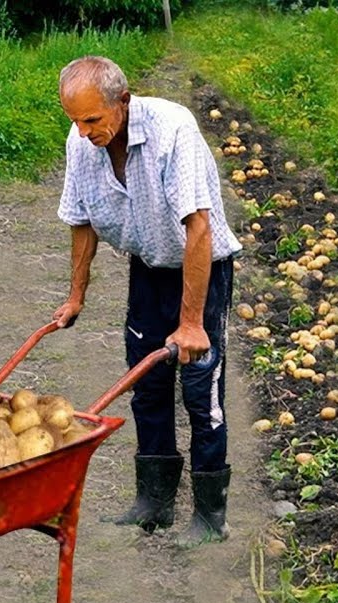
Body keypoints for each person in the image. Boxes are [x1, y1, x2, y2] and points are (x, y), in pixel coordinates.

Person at [50, 56, 242, 545]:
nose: (84, 131)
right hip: (149, 267)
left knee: (201, 390)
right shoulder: (81, 143)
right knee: (147, 382)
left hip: (200, 268)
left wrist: (192, 322)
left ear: (123, 101)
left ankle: (208, 517)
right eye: (75, 120)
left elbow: (197, 227)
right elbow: (81, 221)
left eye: (93, 119)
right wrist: (76, 295)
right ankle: (153, 503)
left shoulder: (172, 130)